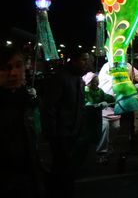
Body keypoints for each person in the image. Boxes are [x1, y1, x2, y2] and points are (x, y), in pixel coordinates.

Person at [41, 47, 90, 198]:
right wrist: (53, 134)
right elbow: (49, 107)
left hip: (73, 132)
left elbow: (79, 106)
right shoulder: (60, 78)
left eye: (87, 60)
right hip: (61, 134)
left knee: (68, 168)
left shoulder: (79, 79)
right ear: (74, 60)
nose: (86, 63)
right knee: (61, 168)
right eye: (83, 59)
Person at [0, 45, 45, 198]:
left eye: (18, 66)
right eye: (5, 68)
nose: (13, 73)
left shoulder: (28, 101)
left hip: (29, 178)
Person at [82, 72, 114, 164]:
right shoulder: (86, 91)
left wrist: (117, 97)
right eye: (94, 82)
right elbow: (88, 104)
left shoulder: (99, 90)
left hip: (97, 115)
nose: (97, 84)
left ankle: (104, 148)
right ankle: (100, 151)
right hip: (87, 117)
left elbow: (106, 97)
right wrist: (97, 105)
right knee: (104, 125)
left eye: (97, 82)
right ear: (89, 83)